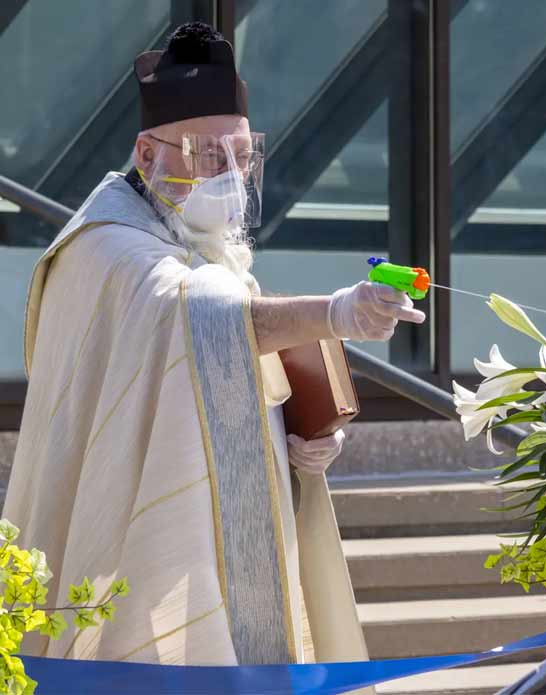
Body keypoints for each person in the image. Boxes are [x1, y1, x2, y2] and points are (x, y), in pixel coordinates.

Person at [3, 22, 425, 670]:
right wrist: (335, 313)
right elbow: (196, 318)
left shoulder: (204, 246)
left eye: (242, 154)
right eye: (208, 155)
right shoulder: (105, 244)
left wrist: (295, 442)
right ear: (147, 155)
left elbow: (225, 366)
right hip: (133, 530)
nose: (230, 175)